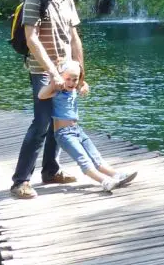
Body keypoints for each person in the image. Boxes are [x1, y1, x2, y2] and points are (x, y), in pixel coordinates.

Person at [9, 0, 85, 200]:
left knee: (60, 120)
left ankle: (51, 171)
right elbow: (31, 39)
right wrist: (52, 72)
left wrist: (80, 74)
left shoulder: (68, 2)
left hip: (65, 70)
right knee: (41, 123)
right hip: (42, 71)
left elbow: (74, 38)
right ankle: (20, 181)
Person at [39, 59, 137, 192]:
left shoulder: (73, 87)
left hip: (77, 130)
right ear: (61, 77)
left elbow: (83, 84)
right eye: (68, 79)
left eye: (75, 79)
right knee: (83, 159)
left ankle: (116, 175)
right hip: (64, 133)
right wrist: (54, 82)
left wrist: (84, 85)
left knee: (96, 157)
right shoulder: (57, 90)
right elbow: (41, 95)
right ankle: (105, 181)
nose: (72, 83)